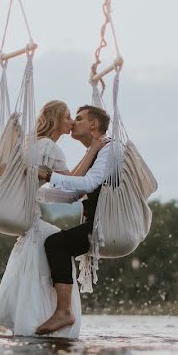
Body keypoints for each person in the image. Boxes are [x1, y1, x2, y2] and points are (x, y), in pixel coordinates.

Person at [0, 100, 107, 338]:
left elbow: (51, 191)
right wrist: (92, 151)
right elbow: (71, 181)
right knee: (52, 249)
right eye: (68, 117)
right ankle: (55, 316)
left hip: (30, 221)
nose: (71, 122)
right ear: (57, 120)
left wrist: (73, 194)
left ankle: (30, 324)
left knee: (33, 271)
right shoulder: (50, 147)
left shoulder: (34, 146)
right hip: (34, 221)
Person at [34, 105, 114, 335]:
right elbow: (73, 194)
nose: (73, 123)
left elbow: (87, 184)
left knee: (55, 243)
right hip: (97, 224)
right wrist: (34, 191)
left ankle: (64, 311)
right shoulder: (96, 152)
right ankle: (61, 310)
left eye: (78, 119)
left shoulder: (109, 148)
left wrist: (48, 175)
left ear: (93, 125)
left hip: (108, 225)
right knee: (56, 243)